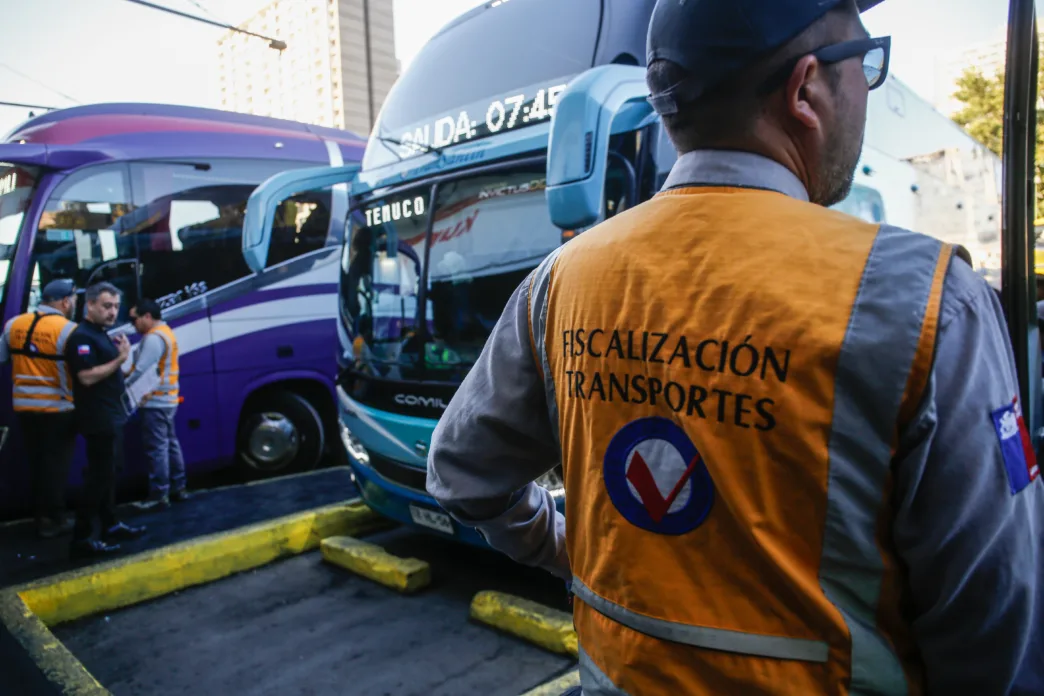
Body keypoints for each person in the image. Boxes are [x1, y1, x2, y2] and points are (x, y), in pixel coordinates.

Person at [425, 1, 1043, 694]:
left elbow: (461, 474)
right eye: (865, 66)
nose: (866, 94)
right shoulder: (927, 300)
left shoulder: (564, 280)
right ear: (806, 89)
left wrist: (568, 551)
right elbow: (996, 622)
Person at [66, 282, 146, 558]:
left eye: (115, 306)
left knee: (111, 472)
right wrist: (121, 358)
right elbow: (86, 377)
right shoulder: (82, 337)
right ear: (90, 305)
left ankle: (110, 524)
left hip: (112, 414)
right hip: (98, 418)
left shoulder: (102, 335)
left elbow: (110, 375)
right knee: (98, 478)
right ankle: (83, 537)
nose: (113, 312)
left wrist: (124, 363)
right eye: (106, 306)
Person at [0, 279, 79, 538]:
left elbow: (2, 358)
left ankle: (40, 516)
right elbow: (80, 369)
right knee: (56, 467)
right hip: (57, 409)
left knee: (37, 464)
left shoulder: (13, 325)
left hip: (24, 408)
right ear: (65, 302)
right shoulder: (68, 330)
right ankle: (54, 520)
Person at [126, 299, 191, 510]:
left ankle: (158, 495)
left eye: (133, 319)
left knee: (157, 448)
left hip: (155, 401)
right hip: (168, 399)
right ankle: (178, 487)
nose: (132, 325)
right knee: (170, 443)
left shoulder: (153, 338)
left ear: (147, 316)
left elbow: (140, 370)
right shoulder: (166, 332)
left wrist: (121, 383)